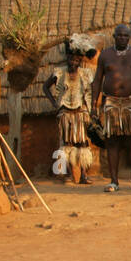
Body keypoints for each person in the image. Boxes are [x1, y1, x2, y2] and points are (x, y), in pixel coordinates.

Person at [90, 24, 131, 192]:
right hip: (111, 102)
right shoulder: (105, 55)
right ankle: (114, 181)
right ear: (114, 36)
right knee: (112, 142)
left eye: (125, 36)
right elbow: (97, 80)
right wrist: (94, 104)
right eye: (119, 35)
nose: (122, 38)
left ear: (129, 38)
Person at [42, 34, 97, 185]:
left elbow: (92, 91)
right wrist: (54, 103)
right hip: (65, 113)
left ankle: (84, 175)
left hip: (80, 113)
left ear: (80, 61)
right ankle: (67, 175)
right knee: (66, 144)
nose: (73, 62)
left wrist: (91, 109)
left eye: (76, 60)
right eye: (71, 59)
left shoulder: (86, 74)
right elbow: (45, 87)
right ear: (67, 58)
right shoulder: (59, 72)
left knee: (82, 144)